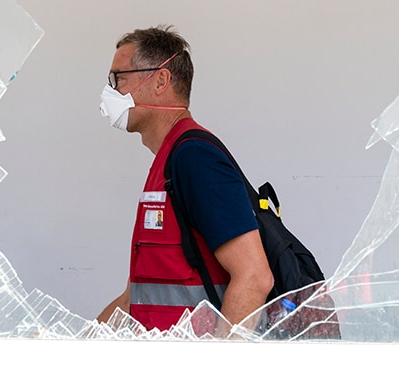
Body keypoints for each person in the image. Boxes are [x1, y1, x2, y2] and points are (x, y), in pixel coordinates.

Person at [97, 25, 273, 334]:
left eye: (118, 78)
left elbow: (255, 277)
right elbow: (133, 299)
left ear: (160, 80)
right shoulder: (168, 161)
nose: (111, 91)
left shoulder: (194, 158)